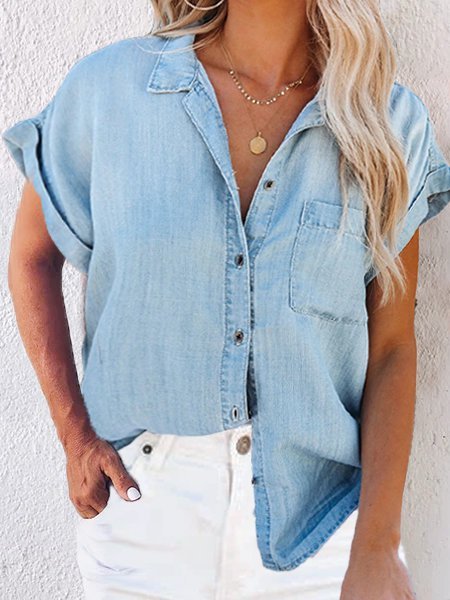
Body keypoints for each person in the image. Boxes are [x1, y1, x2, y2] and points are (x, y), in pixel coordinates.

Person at [3, 0, 450, 598]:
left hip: (318, 530)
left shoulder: (387, 124)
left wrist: (377, 544)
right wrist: (74, 435)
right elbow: (32, 257)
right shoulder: (109, 91)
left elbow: (392, 346)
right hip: (142, 512)